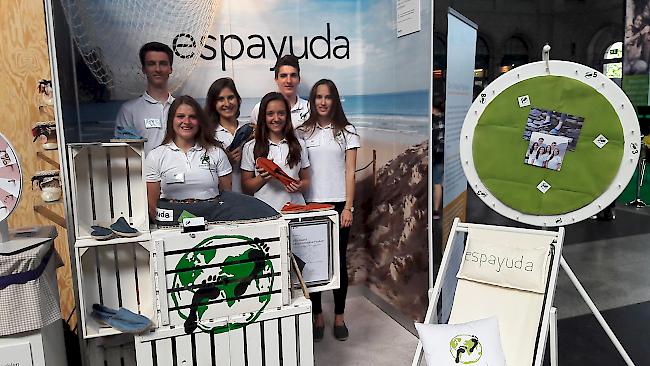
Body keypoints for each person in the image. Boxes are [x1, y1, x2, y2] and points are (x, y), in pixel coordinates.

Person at [296, 79, 360, 342]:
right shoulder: (302, 132)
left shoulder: (348, 131)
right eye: (318, 97)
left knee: (338, 263)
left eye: (328, 97)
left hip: (338, 206)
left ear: (335, 100)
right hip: (310, 205)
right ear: (312, 101)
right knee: (314, 266)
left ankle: (339, 317)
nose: (323, 102)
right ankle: (318, 315)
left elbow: (350, 172)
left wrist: (348, 207)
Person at [145, 96, 232, 219]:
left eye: (192, 117)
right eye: (180, 116)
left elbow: (227, 198)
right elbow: (152, 207)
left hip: (213, 223)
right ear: (171, 120)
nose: (187, 121)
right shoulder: (155, 156)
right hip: (173, 227)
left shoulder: (216, 153)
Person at [241, 92, 310, 211]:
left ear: (287, 116)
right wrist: (263, 177)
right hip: (265, 212)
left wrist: (300, 186)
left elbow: (306, 181)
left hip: (296, 210)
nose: (276, 119)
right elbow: (246, 187)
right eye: (270, 114)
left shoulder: (299, 145)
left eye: (281, 113)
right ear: (263, 116)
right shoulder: (250, 147)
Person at [115, 42, 175, 155]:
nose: (158, 69)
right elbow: (125, 153)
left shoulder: (182, 109)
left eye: (163, 63)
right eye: (151, 64)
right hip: (145, 172)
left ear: (170, 69)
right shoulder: (129, 110)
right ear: (144, 69)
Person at [205, 77, 251, 193]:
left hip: (251, 199)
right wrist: (225, 162)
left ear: (238, 99)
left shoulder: (250, 130)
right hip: (222, 200)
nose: (227, 103)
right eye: (220, 99)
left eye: (230, 97)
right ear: (213, 104)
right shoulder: (208, 135)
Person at [249, 55, 309, 129]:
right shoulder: (259, 109)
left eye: (293, 75)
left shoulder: (309, 109)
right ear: (276, 79)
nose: (289, 81)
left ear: (299, 79)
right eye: (283, 76)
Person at [432, 99, 445, 220]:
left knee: (436, 183)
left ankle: (435, 210)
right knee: (442, 181)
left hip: (438, 156)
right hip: (448, 154)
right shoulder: (446, 119)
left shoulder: (435, 122)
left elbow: (434, 140)